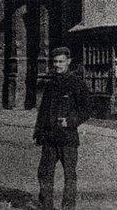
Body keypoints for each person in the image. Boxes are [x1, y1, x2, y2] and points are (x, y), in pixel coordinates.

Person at [34, 47, 91, 210]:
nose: (57, 65)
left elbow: (87, 110)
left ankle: (68, 207)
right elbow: (43, 110)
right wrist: (38, 131)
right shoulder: (51, 83)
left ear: (69, 61)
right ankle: (46, 206)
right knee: (44, 173)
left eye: (61, 61)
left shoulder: (77, 83)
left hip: (67, 138)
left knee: (69, 175)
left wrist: (71, 121)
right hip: (50, 137)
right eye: (55, 62)